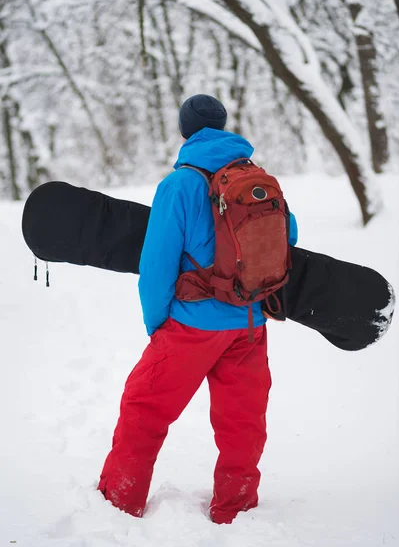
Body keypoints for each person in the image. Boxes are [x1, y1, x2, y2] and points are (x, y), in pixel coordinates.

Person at [98, 94, 298, 524]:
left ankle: (119, 500)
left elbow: (157, 263)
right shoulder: (259, 177)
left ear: (184, 129)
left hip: (190, 326)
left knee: (144, 407)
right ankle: (236, 507)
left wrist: (157, 322)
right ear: (224, 126)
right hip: (248, 324)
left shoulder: (180, 184)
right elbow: (288, 235)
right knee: (242, 422)